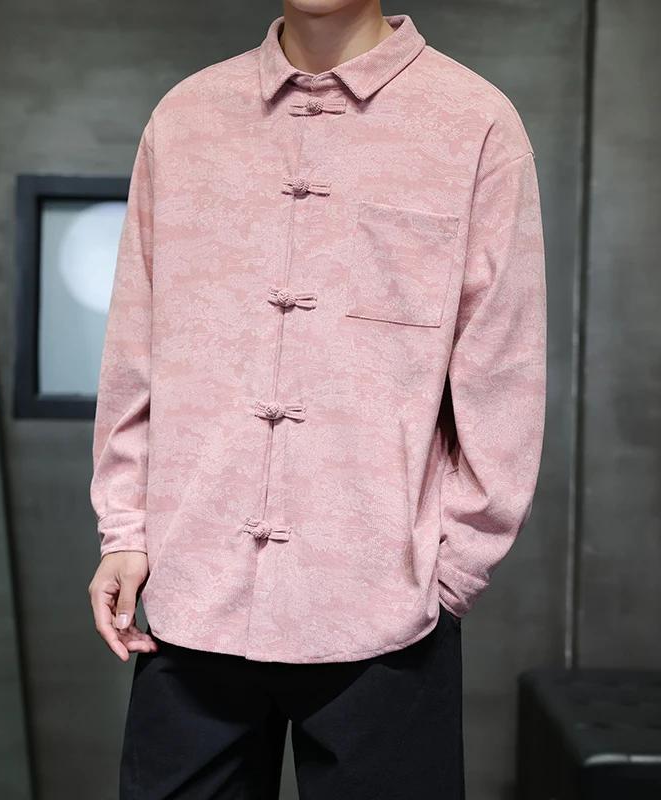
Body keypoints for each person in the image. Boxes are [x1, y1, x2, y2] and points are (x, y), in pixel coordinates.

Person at [88, 1, 547, 797]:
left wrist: (450, 571)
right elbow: (136, 343)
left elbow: (502, 369)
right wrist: (126, 530)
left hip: (386, 612)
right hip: (193, 594)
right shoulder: (186, 118)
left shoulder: (474, 123)